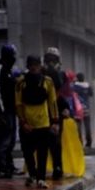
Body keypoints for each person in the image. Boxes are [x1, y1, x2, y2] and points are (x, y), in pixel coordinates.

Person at [15, 55, 59, 189]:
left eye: (36, 64)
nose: (34, 67)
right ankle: (32, 174)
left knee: (42, 152)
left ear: (40, 66)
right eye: (31, 65)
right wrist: (23, 122)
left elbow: (52, 102)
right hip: (27, 124)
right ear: (28, 66)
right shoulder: (21, 82)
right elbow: (18, 104)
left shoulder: (48, 82)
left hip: (43, 123)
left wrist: (55, 121)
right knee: (27, 152)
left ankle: (41, 178)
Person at [0, 44, 18, 178]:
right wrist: (0, 112)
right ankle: (2, 167)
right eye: (13, 55)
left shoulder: (8, 70)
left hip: (11, 111)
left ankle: (9, 165)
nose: (14, 58)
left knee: (11, 140)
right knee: (4, 140)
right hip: (4, 112)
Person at [43, 47, 69, 180]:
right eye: (49, 60)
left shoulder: (62, 75)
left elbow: (64, 94)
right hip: (41, 112)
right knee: (42, 142)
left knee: (55, 142)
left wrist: (66, 108)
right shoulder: (40, 73)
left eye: (54, 60)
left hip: (57, 113)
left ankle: (57, 167)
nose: (51, 63)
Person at [73, 72, 93, 147]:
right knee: (87, 125)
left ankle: (79, 141)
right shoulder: (88, 86)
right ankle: (89, 141)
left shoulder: (74, 86)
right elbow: (91, 94)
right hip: (86, 108)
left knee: (78, 126)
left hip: (78, 108)